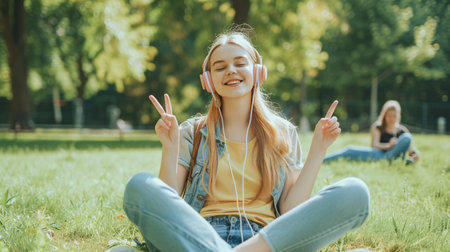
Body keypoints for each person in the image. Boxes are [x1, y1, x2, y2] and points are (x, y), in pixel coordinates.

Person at [121, 30, 370, 252]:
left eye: (240, 63)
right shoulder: (192, 131)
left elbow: (291, 212)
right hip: (198, 237)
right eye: (220, 67)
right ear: (208, 81)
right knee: (140, 185)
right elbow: (167, 202)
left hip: (267, 242)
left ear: (258, 72)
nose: (230, 70)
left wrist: (318, 150)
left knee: (356, 192)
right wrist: (170, 147)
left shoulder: (283, 133)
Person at [323, 100, 419, 164]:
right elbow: (374, 145)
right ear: (384, 115)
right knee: (350, 150)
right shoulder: (377, 126)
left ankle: (400, 161)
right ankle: (322, 160)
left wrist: (415, 155)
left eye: (394, 116)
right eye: (389, 115)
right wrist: (388, 145)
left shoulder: (402, 130)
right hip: (380, 154)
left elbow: (410, 149)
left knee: (407, 137)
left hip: (395, 155)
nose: (391, 118)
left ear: (398, 116)